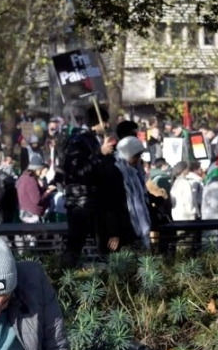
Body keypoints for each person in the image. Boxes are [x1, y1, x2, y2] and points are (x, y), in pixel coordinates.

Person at [60, 104, 114, 267]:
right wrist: (99, 154)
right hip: (81, 203)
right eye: (104, 122)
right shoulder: (79, 141)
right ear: (96, 122)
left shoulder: (92, 140)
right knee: (75, 246)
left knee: (105, 247)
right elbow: (78, 172)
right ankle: (63, 279)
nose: (107, 126)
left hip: (94, 201)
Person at [97, 135, 151, 252]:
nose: (138, 159)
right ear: (128, 153)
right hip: (120, 232)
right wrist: (113, 232)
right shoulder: (112, 170)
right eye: (136, 155)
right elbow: (110, 203)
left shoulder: (133, 172)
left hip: (133, 230)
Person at [16, 153, 56, 223]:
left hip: (24, 212)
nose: (41, 172)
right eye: (40, 169)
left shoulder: (23, 177)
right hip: (32, 215)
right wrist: (48, 191)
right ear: (36, 169)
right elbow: (37, 200)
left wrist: (44, 188)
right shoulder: (31, 180)